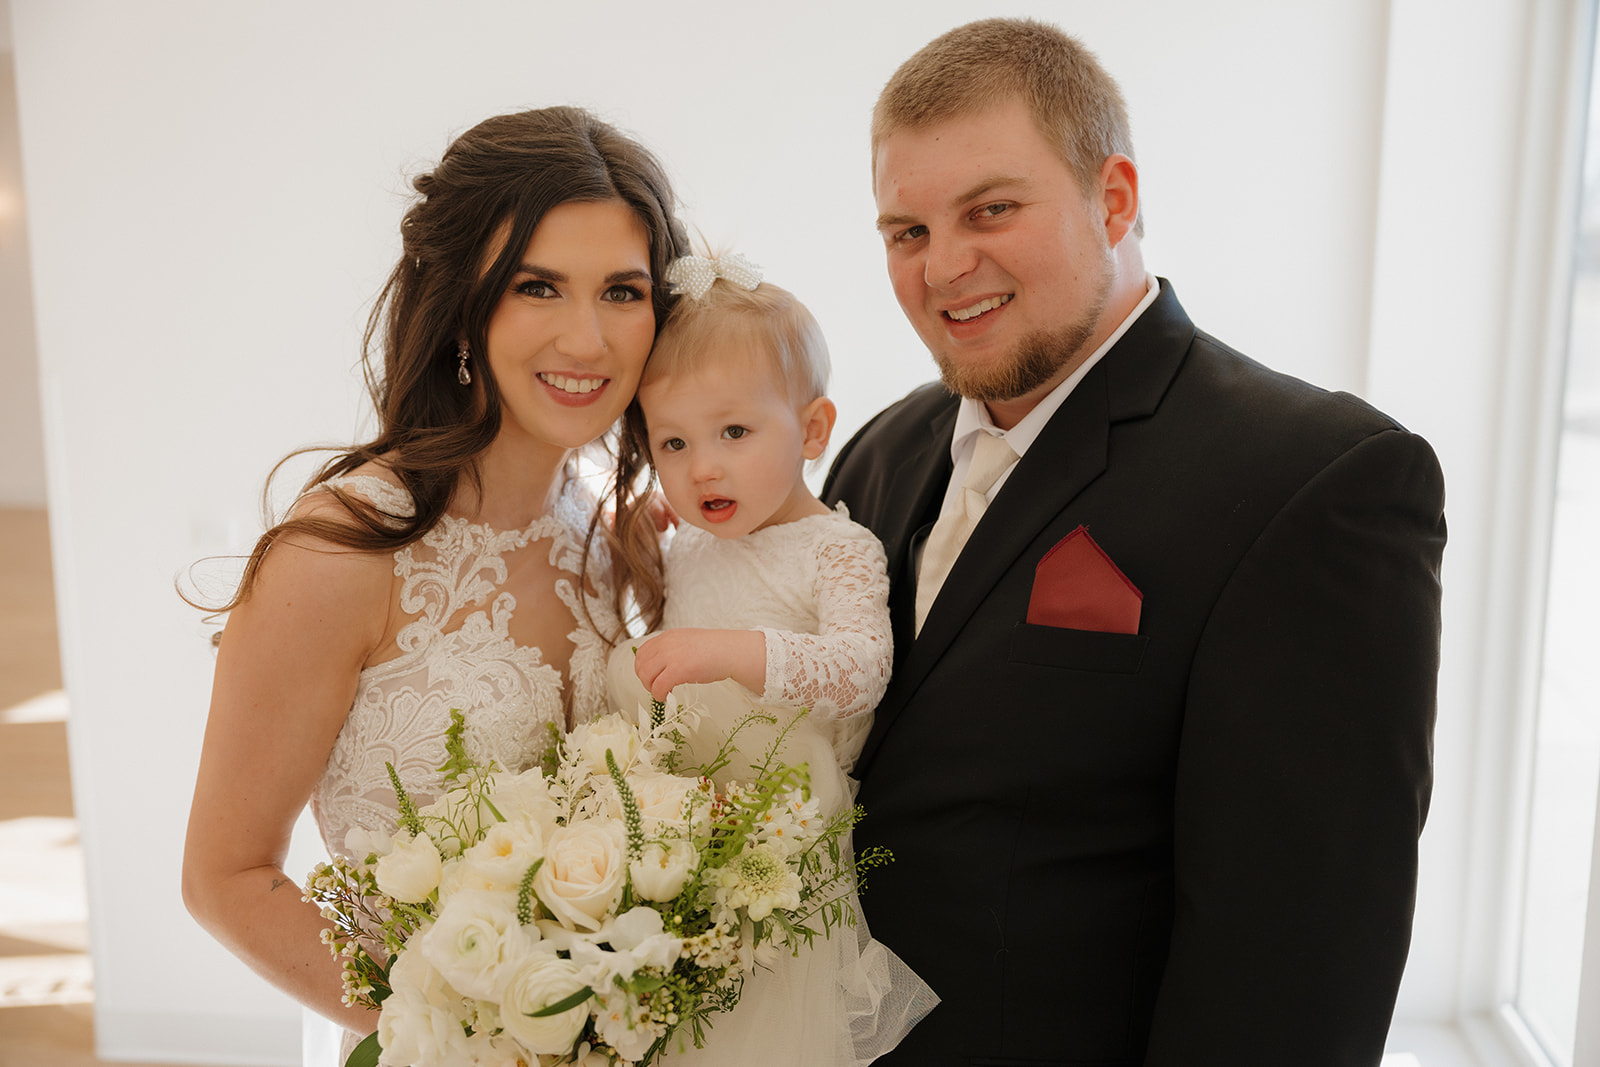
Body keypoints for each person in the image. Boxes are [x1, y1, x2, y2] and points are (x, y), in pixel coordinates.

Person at [822, 17, 1446, 1066]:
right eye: (906, 231)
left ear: (1113, 198)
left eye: (991, 210)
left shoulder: (1316, 480)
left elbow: (1296, 963)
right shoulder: (877, 453)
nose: (944, 265)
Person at [181, 105, 689, 1064]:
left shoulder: (609, 525)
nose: (588, 339)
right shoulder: (340, 553)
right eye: (539, 286)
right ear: (464, 303)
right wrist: (479, 1039)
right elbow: (227, 877)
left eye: (622, 292)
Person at [606, 256, 937, 1064]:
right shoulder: (691, 548)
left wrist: (732, 653)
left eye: (734, 433)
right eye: (673, 442)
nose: (702, 467)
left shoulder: (837, 546)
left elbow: (862, 668)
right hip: (692, 833)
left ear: (814, 429)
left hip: (785, 831)